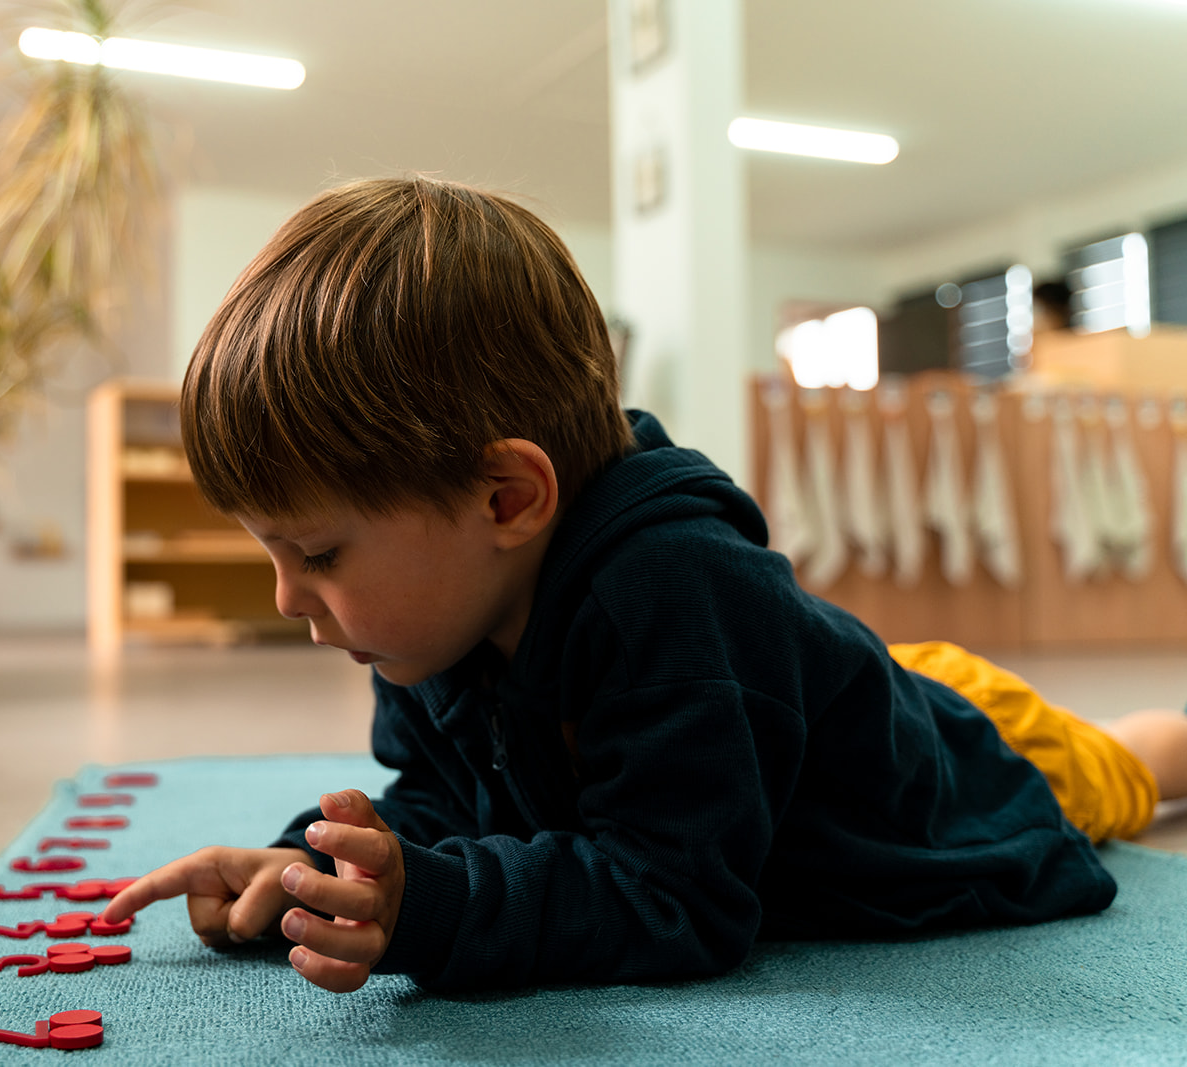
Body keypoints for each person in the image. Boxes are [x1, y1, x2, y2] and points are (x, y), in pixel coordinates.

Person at [101, 176, 1187, 994]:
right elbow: (448, 803)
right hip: (771, 703)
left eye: (320, 554)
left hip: (955, 753)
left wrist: (433, 909)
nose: (288, 598)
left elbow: (676, 898)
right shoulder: (422, 624)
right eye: (273, 553)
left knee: (1115, 766)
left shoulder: (671, 585)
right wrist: (313, 868)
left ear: (504, 499)